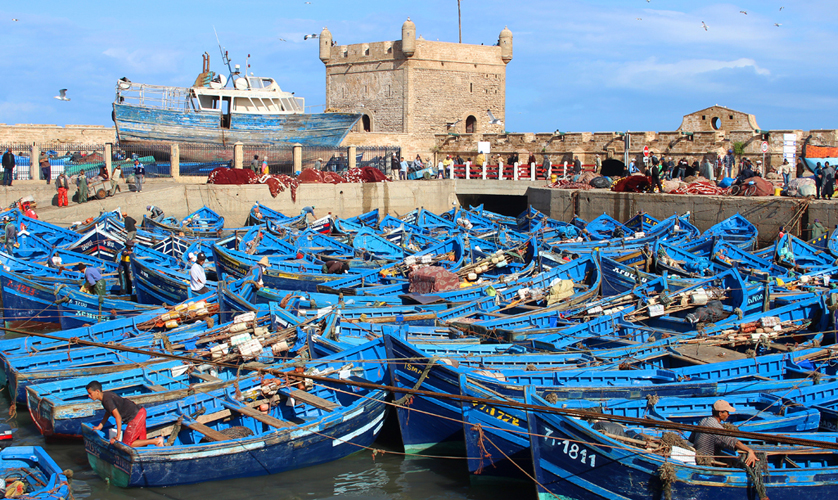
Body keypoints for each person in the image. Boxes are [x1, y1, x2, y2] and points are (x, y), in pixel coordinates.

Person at [86, 381, 163, 447]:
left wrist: (118, 436)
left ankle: (156, 441)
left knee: (127, 445)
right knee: (142, 442)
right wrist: (100, 426)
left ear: (97, 391)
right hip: (140, 412)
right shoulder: (106, 396)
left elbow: (118, 417)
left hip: (136, 416)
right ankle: (158, 444)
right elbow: (108, 412)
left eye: (90, 393)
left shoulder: (107, 400)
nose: (89, 396)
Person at [690, 400, 758, 467]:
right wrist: (749, 450)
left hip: (697, 457)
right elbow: (732, 442)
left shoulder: (703, 420)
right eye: (727, 412)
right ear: (720, 413)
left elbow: (691, 439)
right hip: (705, 462)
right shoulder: (716, 427)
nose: (728, 414)